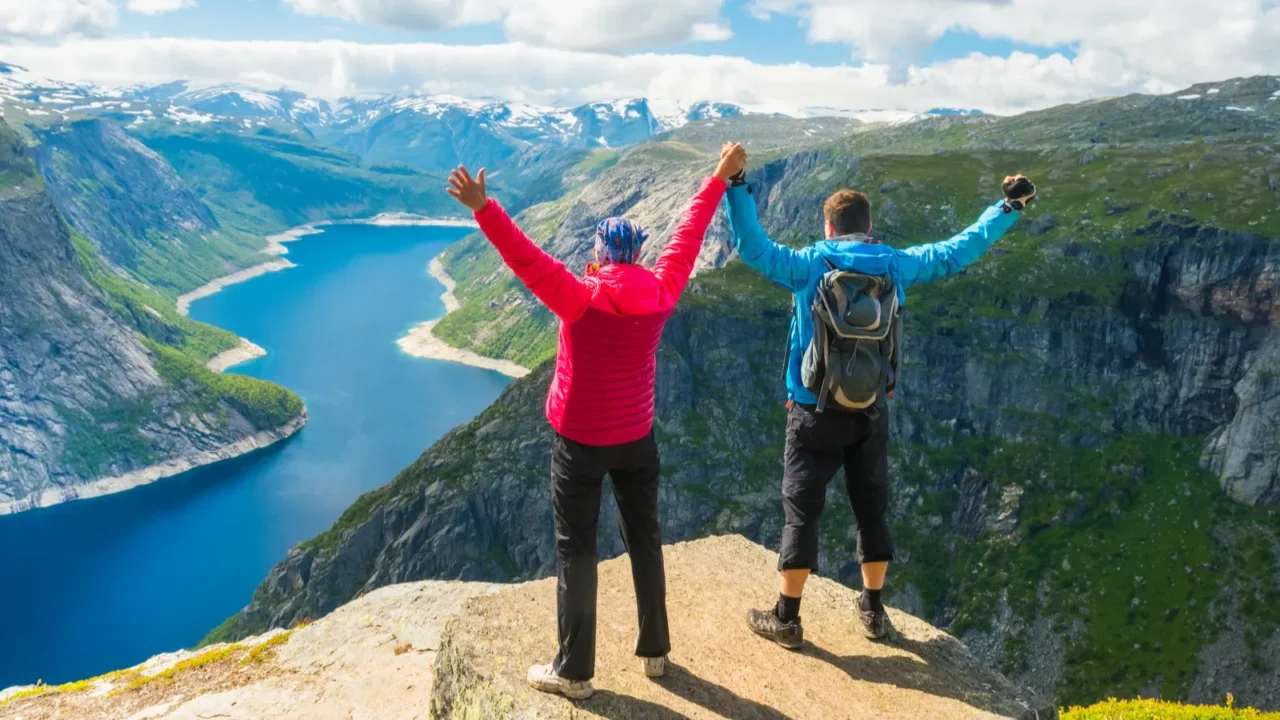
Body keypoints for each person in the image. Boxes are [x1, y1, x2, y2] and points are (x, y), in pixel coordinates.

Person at [445, 144, 749, 700]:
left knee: (576, 550)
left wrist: (484, 209)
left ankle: (575, 673)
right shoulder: (661, 289)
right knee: (645, 537)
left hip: (579, 443)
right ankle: (656, 650)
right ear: (636, 254)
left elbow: (526, 259)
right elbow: (688, 234)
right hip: (638, 439)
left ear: (600, 253)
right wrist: (718, 179)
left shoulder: (580, 297)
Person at [720, 143, 1037, 649]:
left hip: (811, 409)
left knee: (802, 512)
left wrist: (736, 186)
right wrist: (1005, 209)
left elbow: (754, 247)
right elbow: (957, 250)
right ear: (867, 228)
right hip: (871, 411)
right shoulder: (895, 264)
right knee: (871, 509)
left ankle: (787, 617)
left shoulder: (808, 264)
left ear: (829, 228)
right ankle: (871, 610)